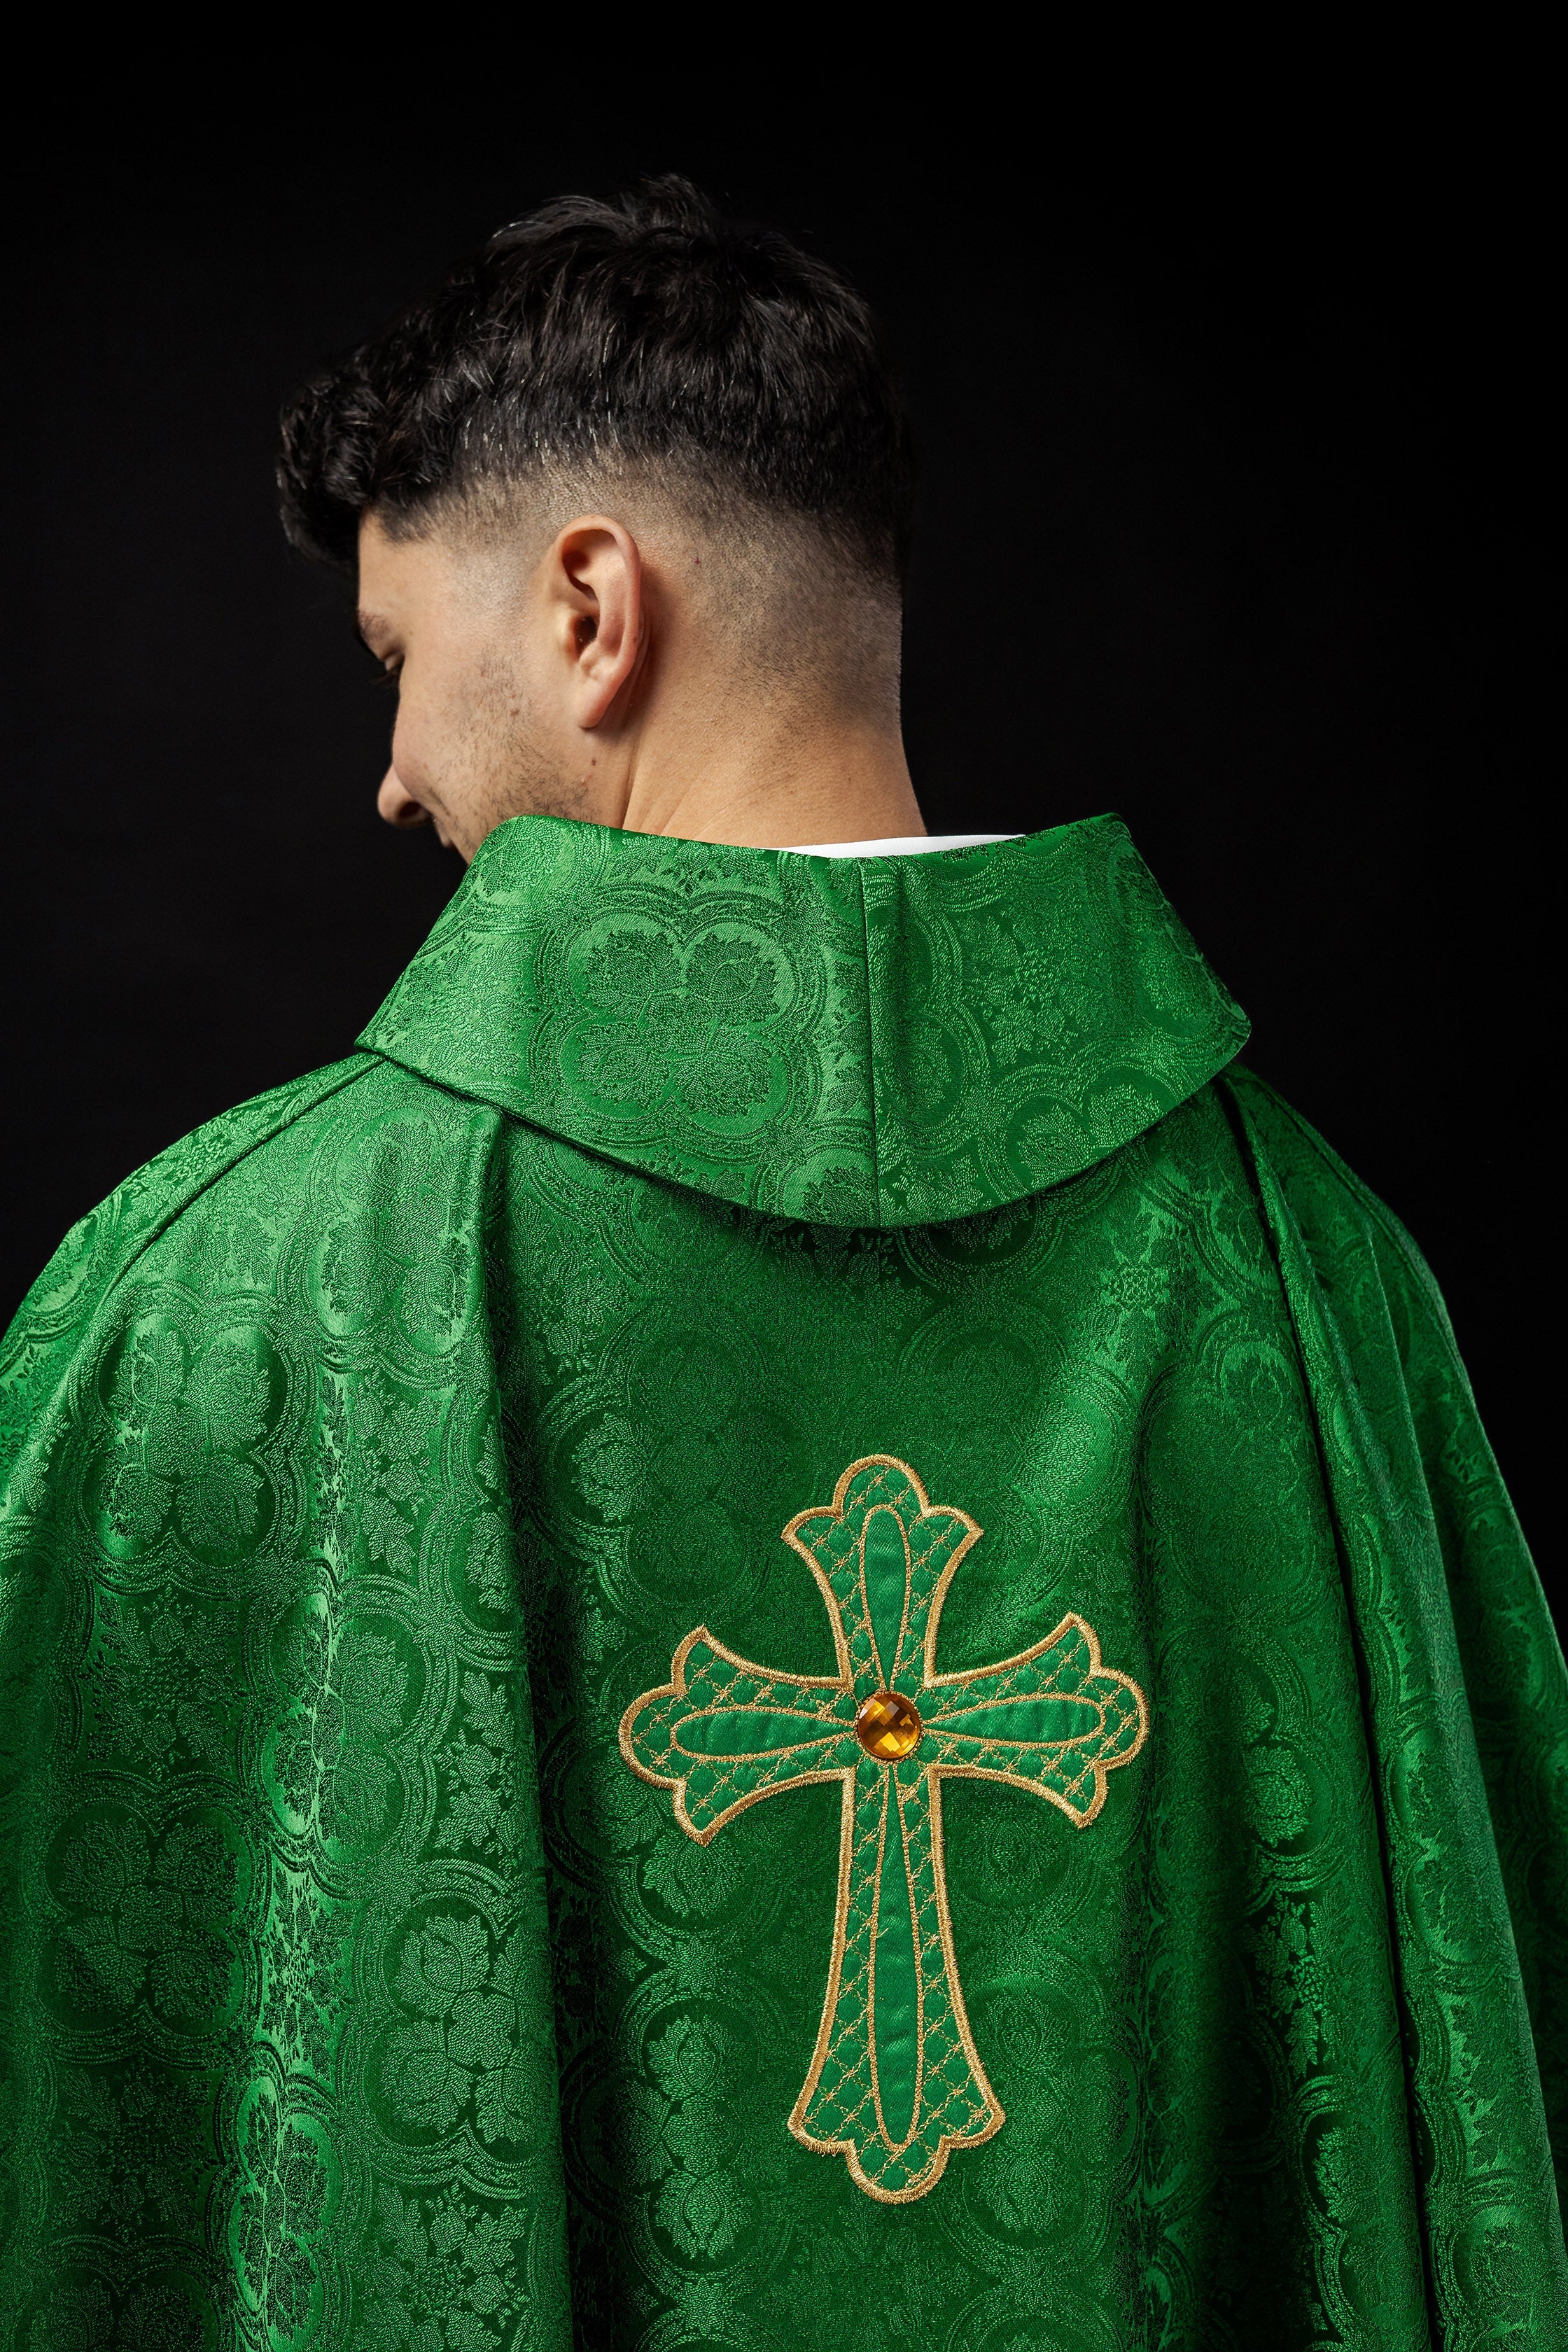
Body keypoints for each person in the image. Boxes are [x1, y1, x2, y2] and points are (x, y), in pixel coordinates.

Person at [1, 176, 1562, 2351]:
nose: (385, 778)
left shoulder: (214, 1309)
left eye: (393, 664)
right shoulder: (1319, 1296)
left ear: (585, 605)